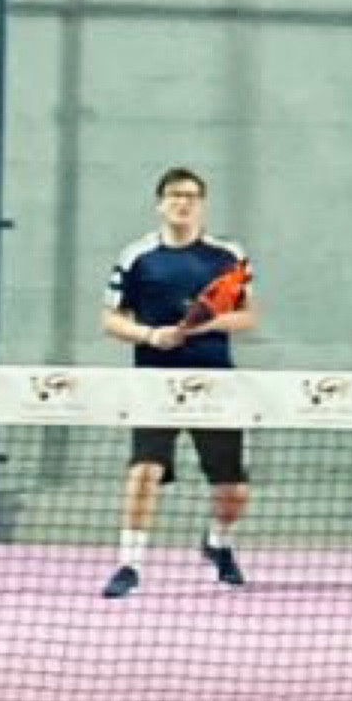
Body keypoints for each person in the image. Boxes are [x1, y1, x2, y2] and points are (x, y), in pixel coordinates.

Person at [99, 166, 257, 597]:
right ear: (160, 203)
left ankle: (217, 544)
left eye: (190, 196)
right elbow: (111, 319)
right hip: (154, 384)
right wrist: (151, 335)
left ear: (200, 204)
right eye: (174, 195)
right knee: (144, 472)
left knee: (233, 491)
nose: (182, 202)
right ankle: (129, 564)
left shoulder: (227, 256)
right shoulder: (137, 257)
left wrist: (202, 325)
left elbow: (247, 316)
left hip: (215, 384)